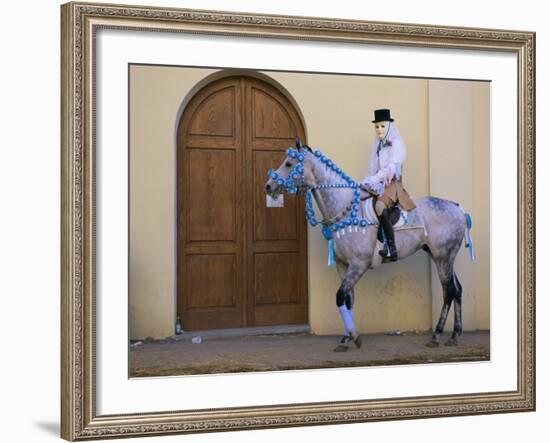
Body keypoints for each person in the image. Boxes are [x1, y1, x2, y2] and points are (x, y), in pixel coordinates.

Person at [361, 109, 416, 261]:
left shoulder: (397, 144)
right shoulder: (378, 146)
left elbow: (391, 169)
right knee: (362, 200)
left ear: (389, 126)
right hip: (379, 182)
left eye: (382, 126)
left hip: (392, 183)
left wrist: (375, 179)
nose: (379, 130)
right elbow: (373, 167)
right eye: (377, 127)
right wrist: (368, 180)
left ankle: (392, 247)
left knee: (379, 206)